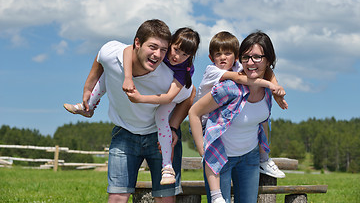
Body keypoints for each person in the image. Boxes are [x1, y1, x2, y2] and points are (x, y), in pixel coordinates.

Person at [75, 19, 195, 203]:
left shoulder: (169, 76)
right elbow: (101, 57)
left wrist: (172, 128)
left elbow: (190, 94)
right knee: (117, 196)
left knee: (165, 198)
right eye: (153, 47)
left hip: (158, 136)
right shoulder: (113, 55)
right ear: (137, 43)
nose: (158, 54)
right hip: (124, 133)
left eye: (163, 49)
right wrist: (87, 87)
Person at [189, 31, 286, 203]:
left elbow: (262, 120)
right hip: (221, 157)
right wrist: (202, 151)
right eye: (246, 57)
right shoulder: (229, 88)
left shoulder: (267, 92)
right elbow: (194, 112)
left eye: (257, 57)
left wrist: (275, 87)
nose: (250, 62)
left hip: (250, 157)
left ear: (268, 60)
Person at [121, 27, 200, 185]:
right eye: (175, 50)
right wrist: (128, 77)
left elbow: (170, 97)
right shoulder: (161, 54)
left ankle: (167, 166)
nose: (177, 56)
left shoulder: (184, 69)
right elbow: (128, 49)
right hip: (166, 93)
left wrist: (140, 98)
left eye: (185, 54)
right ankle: (89, 101)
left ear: (190, 56)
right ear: (170, 43)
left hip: (177, 96)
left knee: (160, 115)